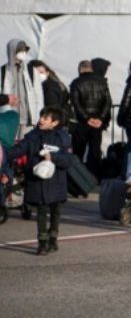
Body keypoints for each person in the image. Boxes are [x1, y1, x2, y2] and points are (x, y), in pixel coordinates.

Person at [5, 106, 72, 255]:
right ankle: (42, 243)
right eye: (41, 117)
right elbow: (17, 150)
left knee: (55, 211)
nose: (41, 120)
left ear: (55, 122)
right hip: (37, 181)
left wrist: (53, 157)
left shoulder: (62, 138)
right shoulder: (32, 136)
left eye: (45, 118)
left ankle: (53, 238)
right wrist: (3, 152)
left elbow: (68, 161)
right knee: (41, 211)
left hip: (56, 182)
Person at [69, 59, 112, 176]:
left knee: (78, 151)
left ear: (79, 69)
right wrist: (100, 119)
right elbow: (108, 102)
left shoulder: (76, 83)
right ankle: (94, 177)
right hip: (97, 123)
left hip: (82, 123)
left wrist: (87, 118)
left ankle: (77, 178)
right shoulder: (102, 82)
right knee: (95, 151)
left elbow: (76, 104)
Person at [2, 39, 43, 139]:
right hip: (9, 118)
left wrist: (38, 115)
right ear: (12, 51)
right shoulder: (3, 71)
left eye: (25, 51)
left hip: (28, 118)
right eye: (20, 51)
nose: (24, 53)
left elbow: (38, 94)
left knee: (25, 148)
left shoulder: (31, 70)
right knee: (9, 147)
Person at [28, 61, 73, 128]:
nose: (39, 75)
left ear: (47, 73)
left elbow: (52, 108)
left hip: (50, 123)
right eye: (36, 73)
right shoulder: (55, 83)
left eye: (41, 72)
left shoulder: (49, 87)